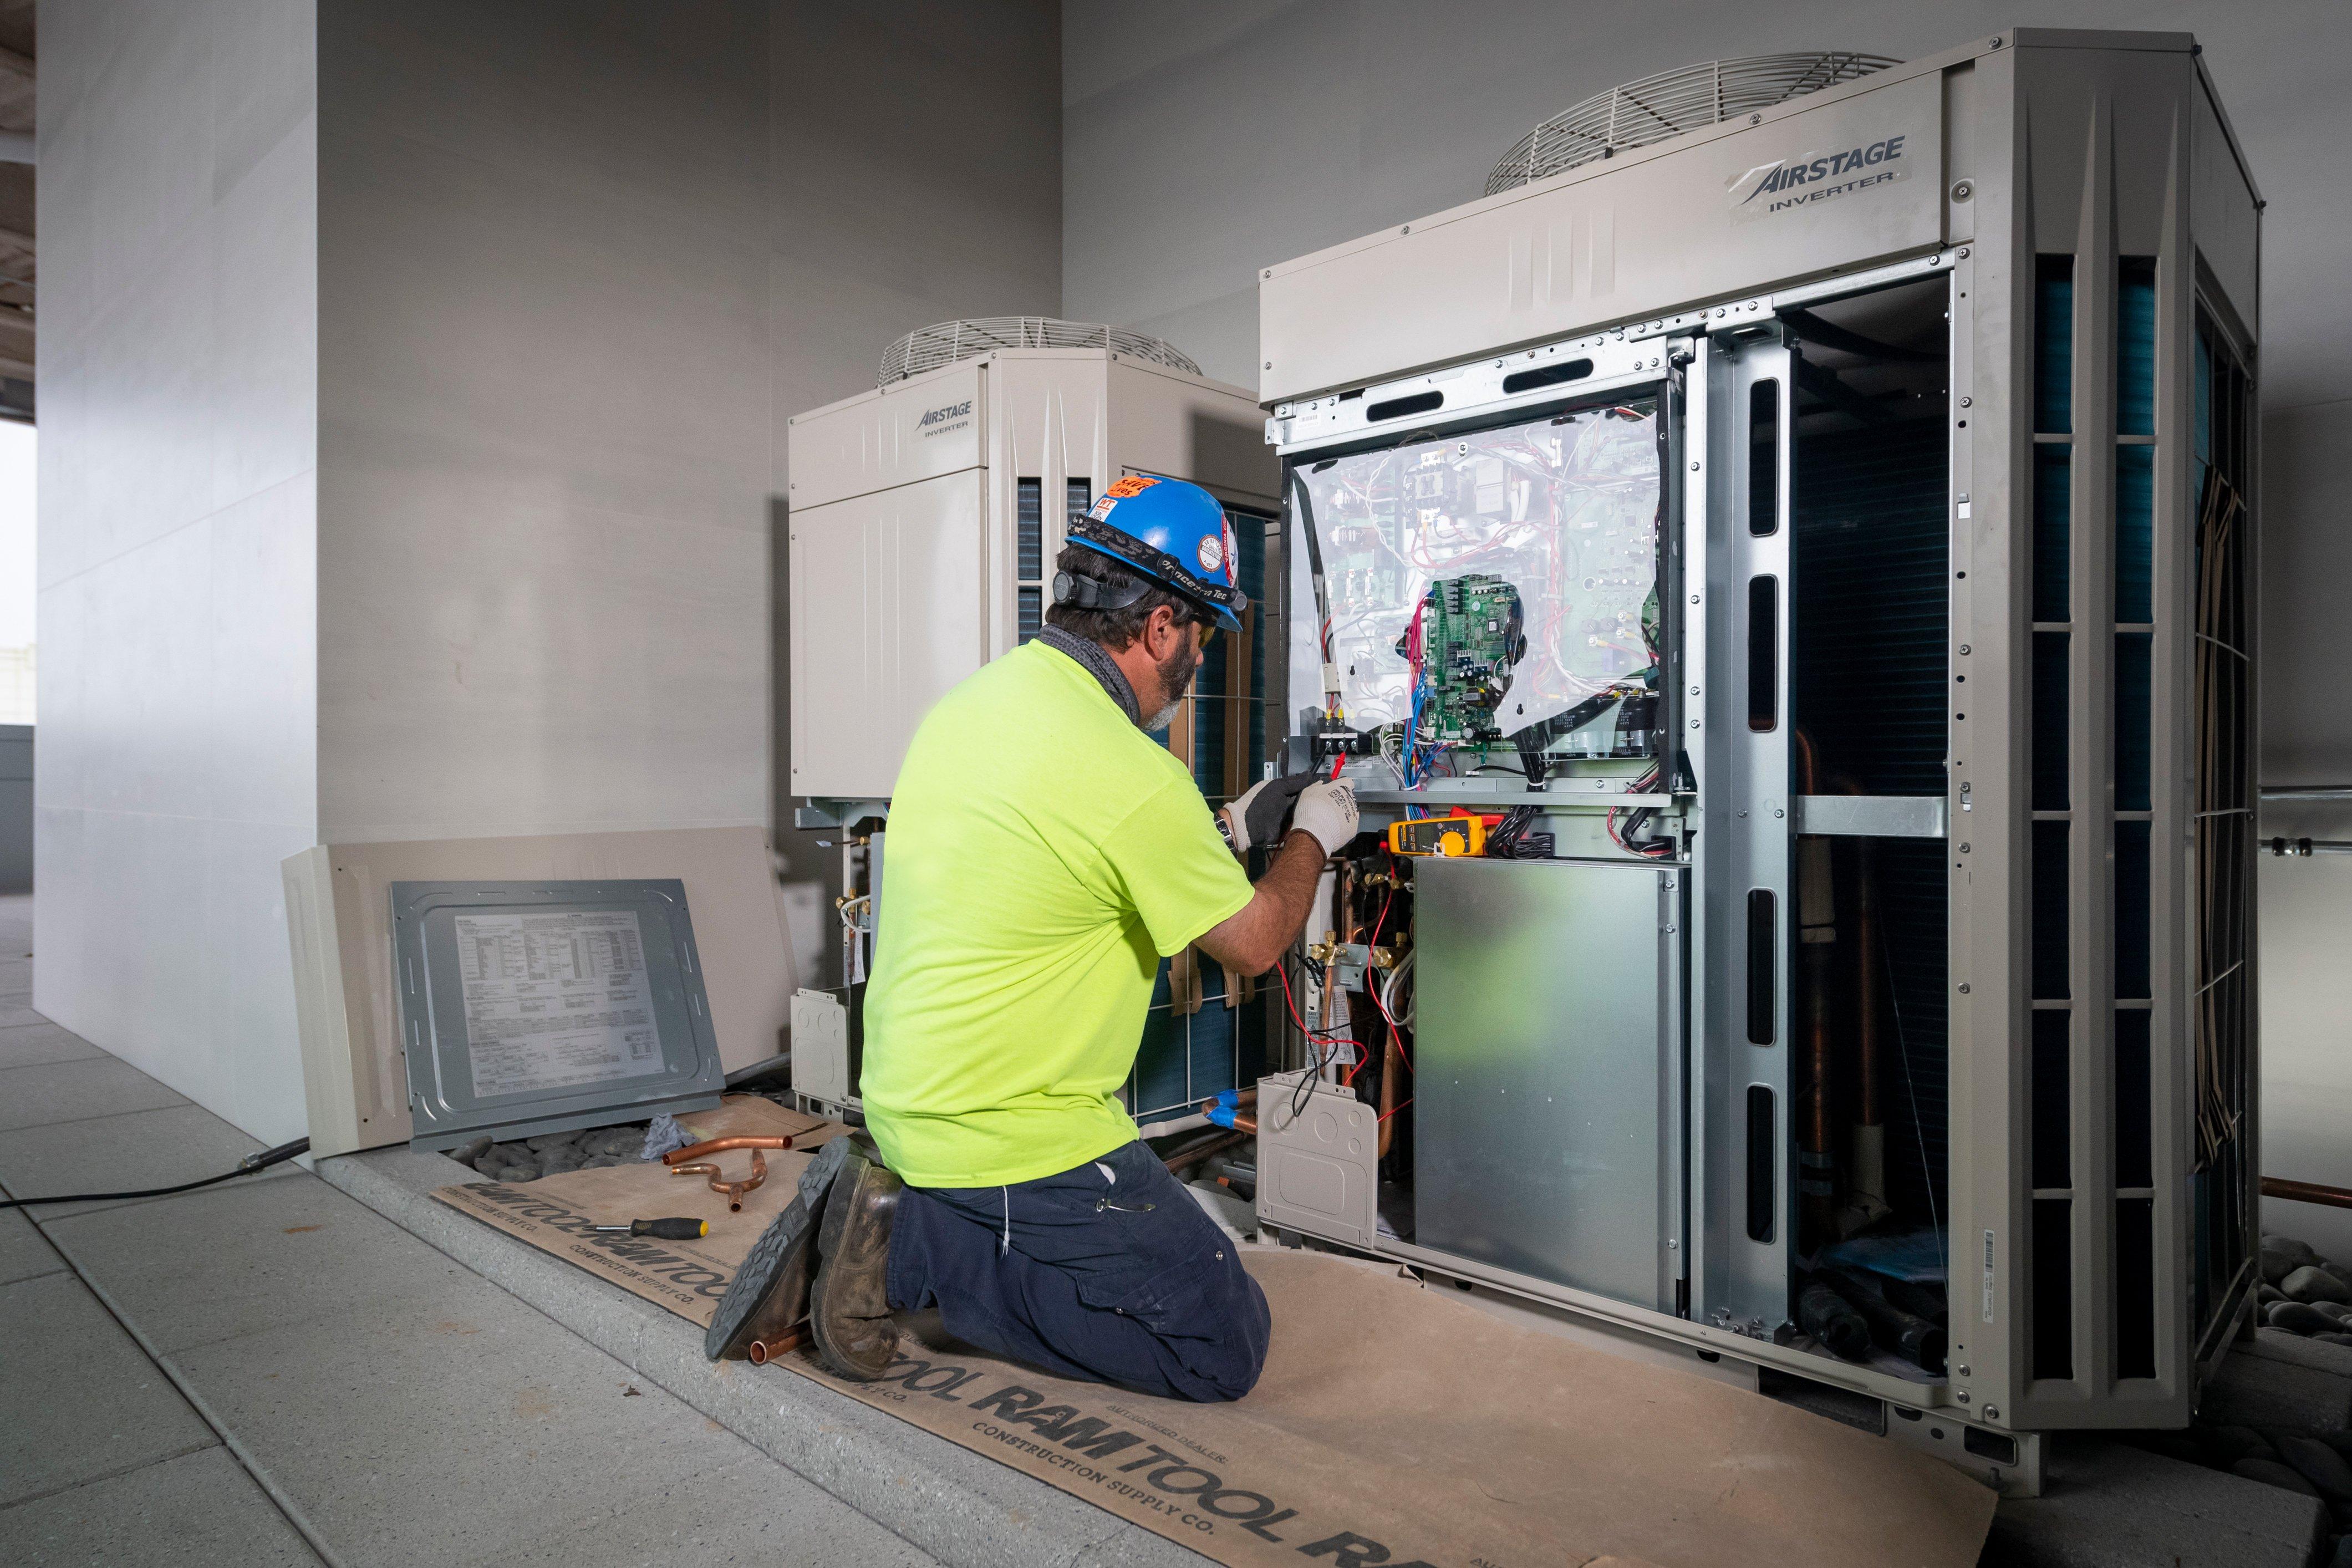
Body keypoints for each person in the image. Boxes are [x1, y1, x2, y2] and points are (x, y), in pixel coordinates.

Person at [804, 473, 1356, 1401]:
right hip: (1015, 1128)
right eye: (1203, 637)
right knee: (1221, 1345)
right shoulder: (1131, 773)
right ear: (1160, 627)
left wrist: (1214, 837)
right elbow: (1258, 942)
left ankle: (914, 1204)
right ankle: (912, 1251)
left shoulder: (974, 706)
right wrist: (1313, 834)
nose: (1196, 666)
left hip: (906, 1096)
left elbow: (1053, 858)